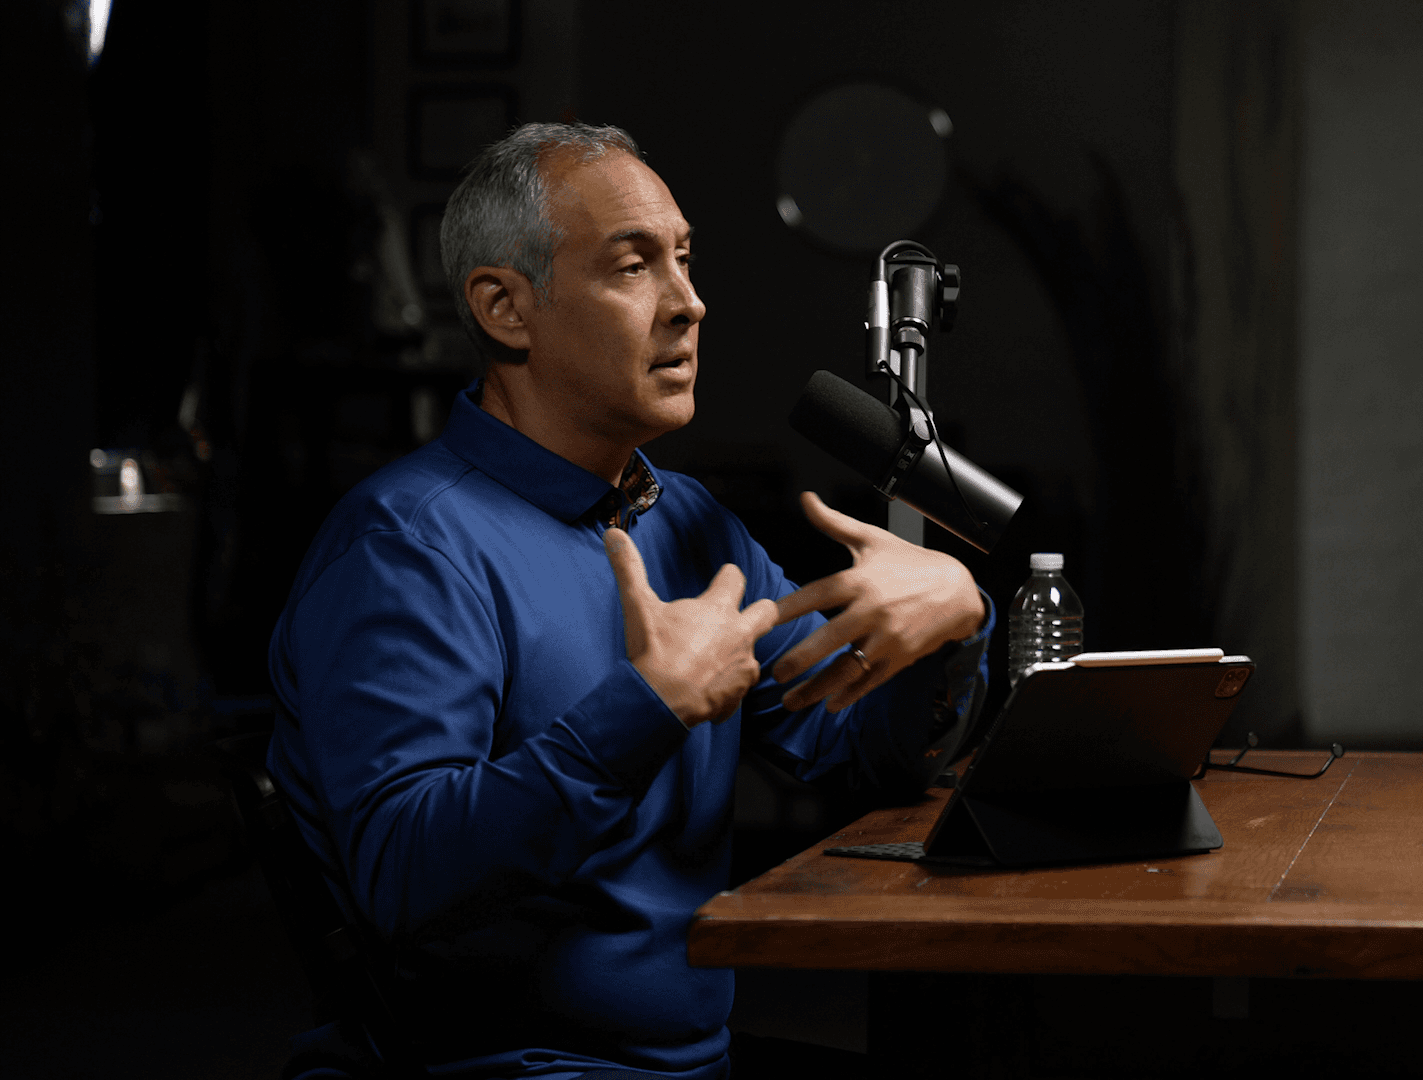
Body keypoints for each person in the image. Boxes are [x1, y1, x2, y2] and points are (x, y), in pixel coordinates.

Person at [267, 122, 992, 1079]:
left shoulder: (687, 521)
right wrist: (645, 709)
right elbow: (402, 881)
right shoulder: (406, 548)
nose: (690, 304)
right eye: (633, 266)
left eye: (685, 261)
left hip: (693, 1062)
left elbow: (855, 759)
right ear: (506, 308)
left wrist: (945, 629)